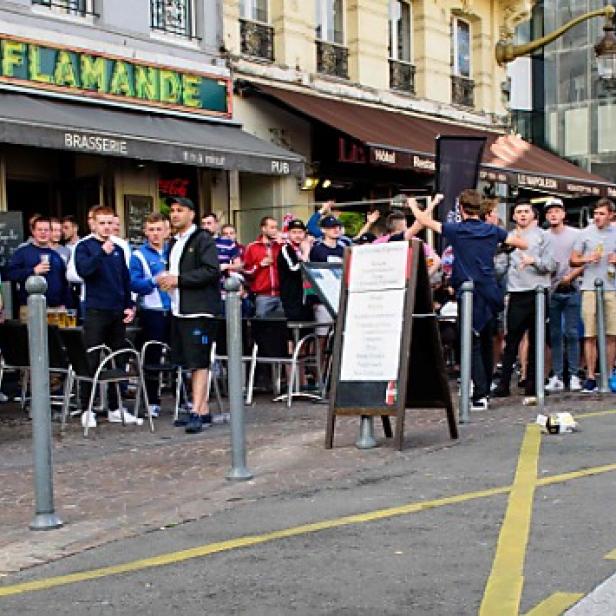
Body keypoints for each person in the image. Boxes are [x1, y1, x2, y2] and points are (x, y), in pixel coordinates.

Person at [409, 190, 528, 411]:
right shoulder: (492, 230)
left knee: (470, 341)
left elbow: (424, 221)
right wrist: (497, 246)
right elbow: (522, 244)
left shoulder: (457, 230)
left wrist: (413, 205)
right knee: (485, 340)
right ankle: (484, 387)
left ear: (462, 209)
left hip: (469, 292)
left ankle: (480, 393)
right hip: (490, 291)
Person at [157, 197, 221, 434]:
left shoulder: (202, 238)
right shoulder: (174, 242)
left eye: (180, 211)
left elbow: (211, 270)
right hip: (180, 308)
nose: (175, 215)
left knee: (199, 360)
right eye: (172, 211)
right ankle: (201, 409)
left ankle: (197, 409)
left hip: (200, 310)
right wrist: (169, 280)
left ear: (191, 214)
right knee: (188, 360)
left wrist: (179, 280)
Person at [75, 205, 139, 429]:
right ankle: (87, 408)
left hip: (117, 311)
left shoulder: (119, 248)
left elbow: (124, 279)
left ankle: (115, 407)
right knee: (91, 359)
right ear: (92, 223)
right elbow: (84, 271)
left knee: (118, 359)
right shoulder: (84, 246)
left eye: (109, 223)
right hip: (95, 310)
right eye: (101, 223)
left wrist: (129, 305)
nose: (106, 228)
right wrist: (102, 253)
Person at [492, 202, 555, 404]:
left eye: (526, 211)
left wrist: (533, 261)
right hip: (516, 293)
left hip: (538, 292)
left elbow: (551, 265)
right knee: (512, 340)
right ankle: (504, 384)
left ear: (533, 215)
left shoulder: (543, 236)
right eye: (518, 211)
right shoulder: (508, 237)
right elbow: (499, 269)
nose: (522, 215)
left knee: (537, 339)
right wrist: (502, 252)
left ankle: (533, 383)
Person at [570, 198, 616, 393]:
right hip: (589, 287)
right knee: (590, 333)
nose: (597, 217)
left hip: (612, 287)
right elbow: (573, 260)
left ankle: (607, 373)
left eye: (601, 214)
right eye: (596, 213)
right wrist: (587, 258)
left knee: (612, 333)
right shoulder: (585, 234)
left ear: (611, 215)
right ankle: (590, 376)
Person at [130, 213, 171, 417]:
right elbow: (133, 283)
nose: (155, 234)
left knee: (179, 356)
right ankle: (152, 401)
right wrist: (154, 281)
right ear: (145, 232)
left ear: (167, 231)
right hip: (152, 311)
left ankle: (184, 399)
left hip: (175, 310)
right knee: (152, 357)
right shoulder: (138, 255)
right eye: (151, 230)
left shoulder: (173, 251)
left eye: (159, 229)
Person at [544, 198, 584, 393]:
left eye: (556, 211)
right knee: (555, 334)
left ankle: (574, 374)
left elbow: (585, 259)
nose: (553, 214)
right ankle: (558, 375)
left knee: (572, 332)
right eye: (549, 212)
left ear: (563, 214)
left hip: (572, 288)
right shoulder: (543, 236)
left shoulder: (577, 235)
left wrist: (571, 276)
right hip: (551, 289)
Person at [8, 216, 69, 322]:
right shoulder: (23, 252)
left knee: (55, 339)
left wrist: (64, 304)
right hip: (30, 308)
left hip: (56, 310)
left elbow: (64, 282)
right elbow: (9, 273)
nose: (43, 233)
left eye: (46, 230)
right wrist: (33, 271)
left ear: (50, 232)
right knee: (31, 338)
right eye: (39, 230)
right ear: (33, 232)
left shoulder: (56, 256)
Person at [243, 216, 284, 318]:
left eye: (276, 227)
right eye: (272, 227)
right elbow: (246, 272)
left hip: (282, 295)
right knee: (262, 328)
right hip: (263, 296)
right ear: (263, 228)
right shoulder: (252, 247)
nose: (275, 230)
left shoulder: (282, 246)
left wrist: (284, 245)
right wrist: (260, 265)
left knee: (282, 329)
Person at [278, 220, 313, 321]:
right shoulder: (286, 249)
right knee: (294, 329)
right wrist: (306, 253)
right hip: (292, 298)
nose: (297, 235)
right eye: (294, 232)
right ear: (288, 233)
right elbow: (293, 269)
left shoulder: (309, 247)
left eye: (300, 232)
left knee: (308, 331)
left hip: (307, 297)